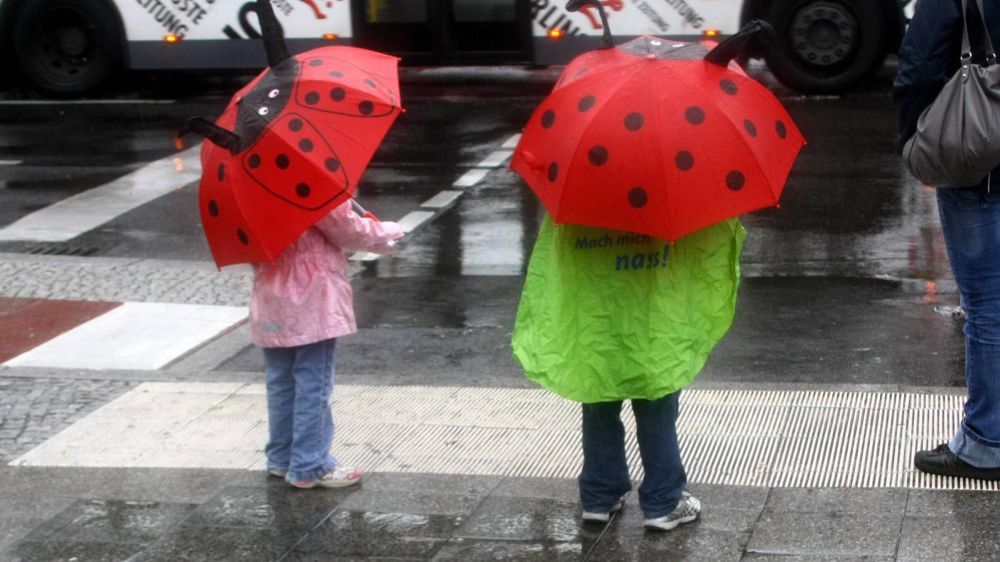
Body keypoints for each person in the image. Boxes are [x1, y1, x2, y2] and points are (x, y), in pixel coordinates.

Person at [512, 215, 745, 530]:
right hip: (655, 327)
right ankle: (663, 502)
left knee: (597, 402)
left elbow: (554, 266)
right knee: (657, 408)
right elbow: (705, 256)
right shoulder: (674, 198)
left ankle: (598, 497)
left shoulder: (578, 202)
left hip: (597, 325)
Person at [895, 0, 1000, 480]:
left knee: (988, 310)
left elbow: (918, 70)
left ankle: (985, 442)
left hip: (978, 167)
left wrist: (917, 139)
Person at [251, 201, 403, 488]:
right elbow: (345, 228)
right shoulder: (306, 180)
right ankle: (310, 465)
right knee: (313, 382)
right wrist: (387, 231)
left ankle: (281, 458)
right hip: (312, 296)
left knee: (281, 381)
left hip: (270, 293)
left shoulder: (247, 190)